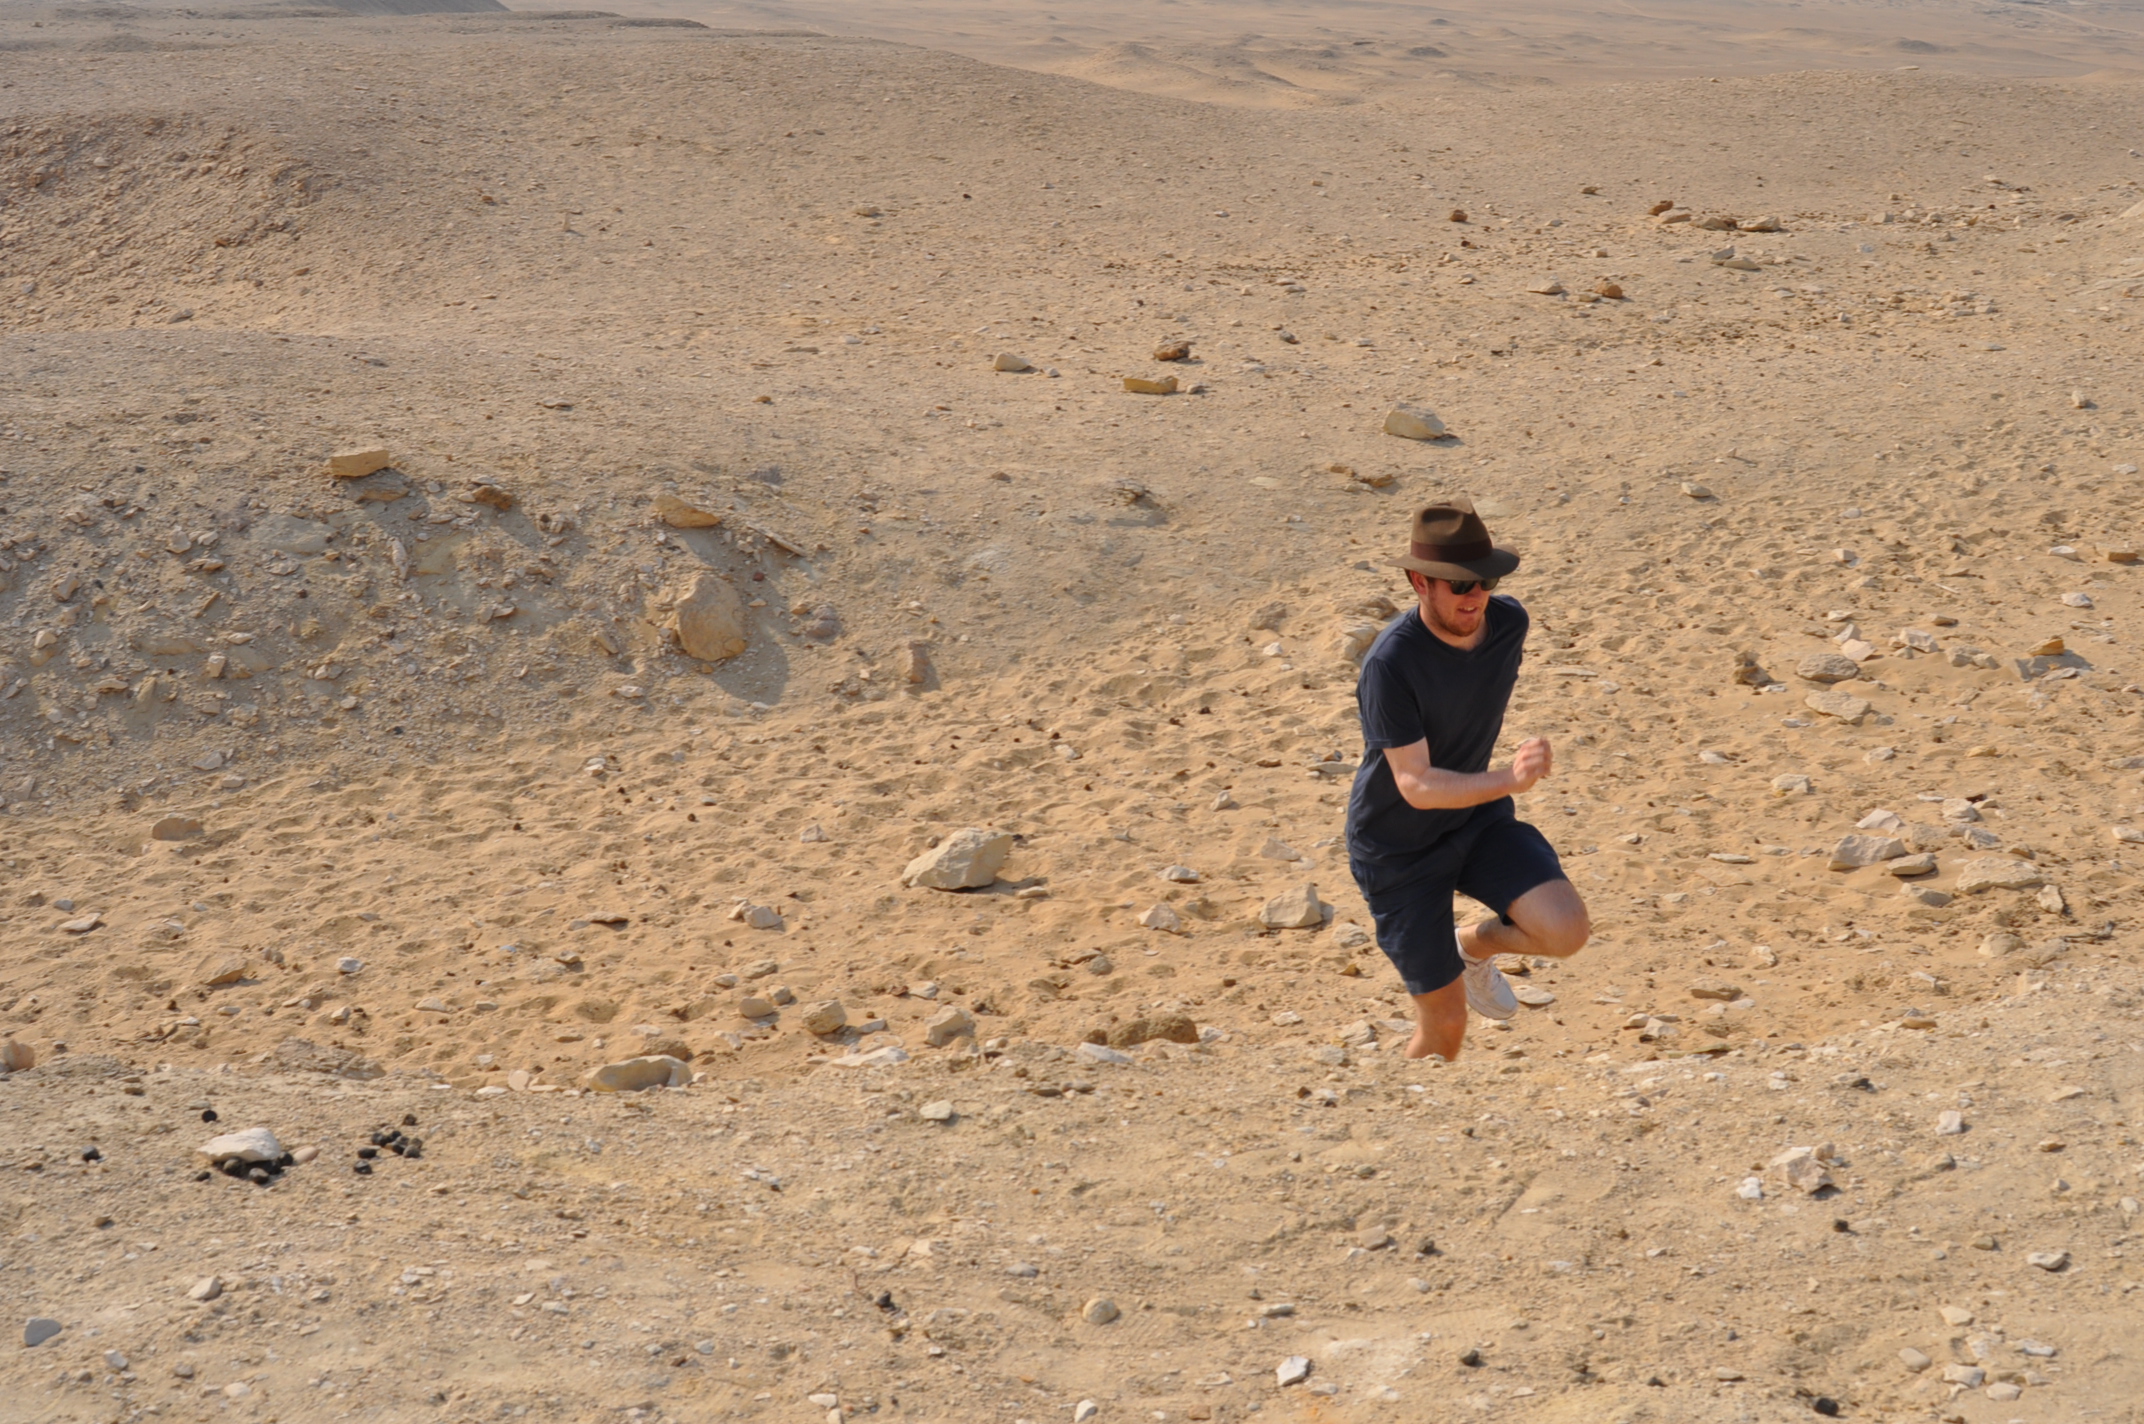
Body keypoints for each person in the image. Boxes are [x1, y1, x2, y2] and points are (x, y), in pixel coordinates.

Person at [1344, 498, 1591, 1061]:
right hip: (1398, 849)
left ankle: (1472, 947)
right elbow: (1415, 785)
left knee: (1565, 931)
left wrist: (1501, 784)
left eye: (1486, 580)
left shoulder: (1508, 625)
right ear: (1419, 582)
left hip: (1476, 821)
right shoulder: (1389, 665)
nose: (1475, 596)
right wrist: (1510, 777)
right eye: (1458, 585)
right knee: (1447, 1027)